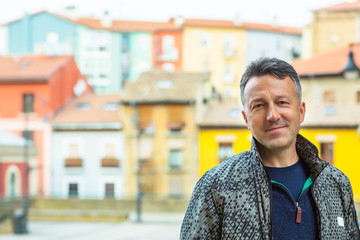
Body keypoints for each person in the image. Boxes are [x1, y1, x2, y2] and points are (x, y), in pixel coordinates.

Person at [180, 58, 360, 239]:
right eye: (259, 105)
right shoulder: (215, 186)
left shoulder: (336, 184)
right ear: (246, 119)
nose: (272, 115)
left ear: (301, 111)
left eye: (282, 102)